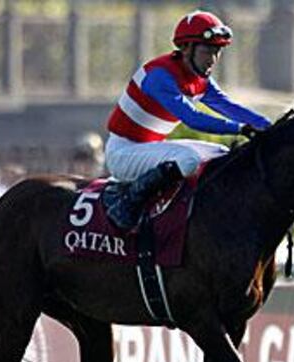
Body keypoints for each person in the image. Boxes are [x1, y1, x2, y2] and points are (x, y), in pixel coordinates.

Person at [102, 10, 271, 230]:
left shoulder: (200, 79)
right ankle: (127, 203)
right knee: (189, 160)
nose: (213, 59)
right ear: (186, 48)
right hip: (123, 154)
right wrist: (240, 129)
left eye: (217, 51)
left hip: (151, 148)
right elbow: (193, 118)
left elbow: (230, 107)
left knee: (223, 154)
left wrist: (272, 126)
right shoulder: (159, 76)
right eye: (207, 51)